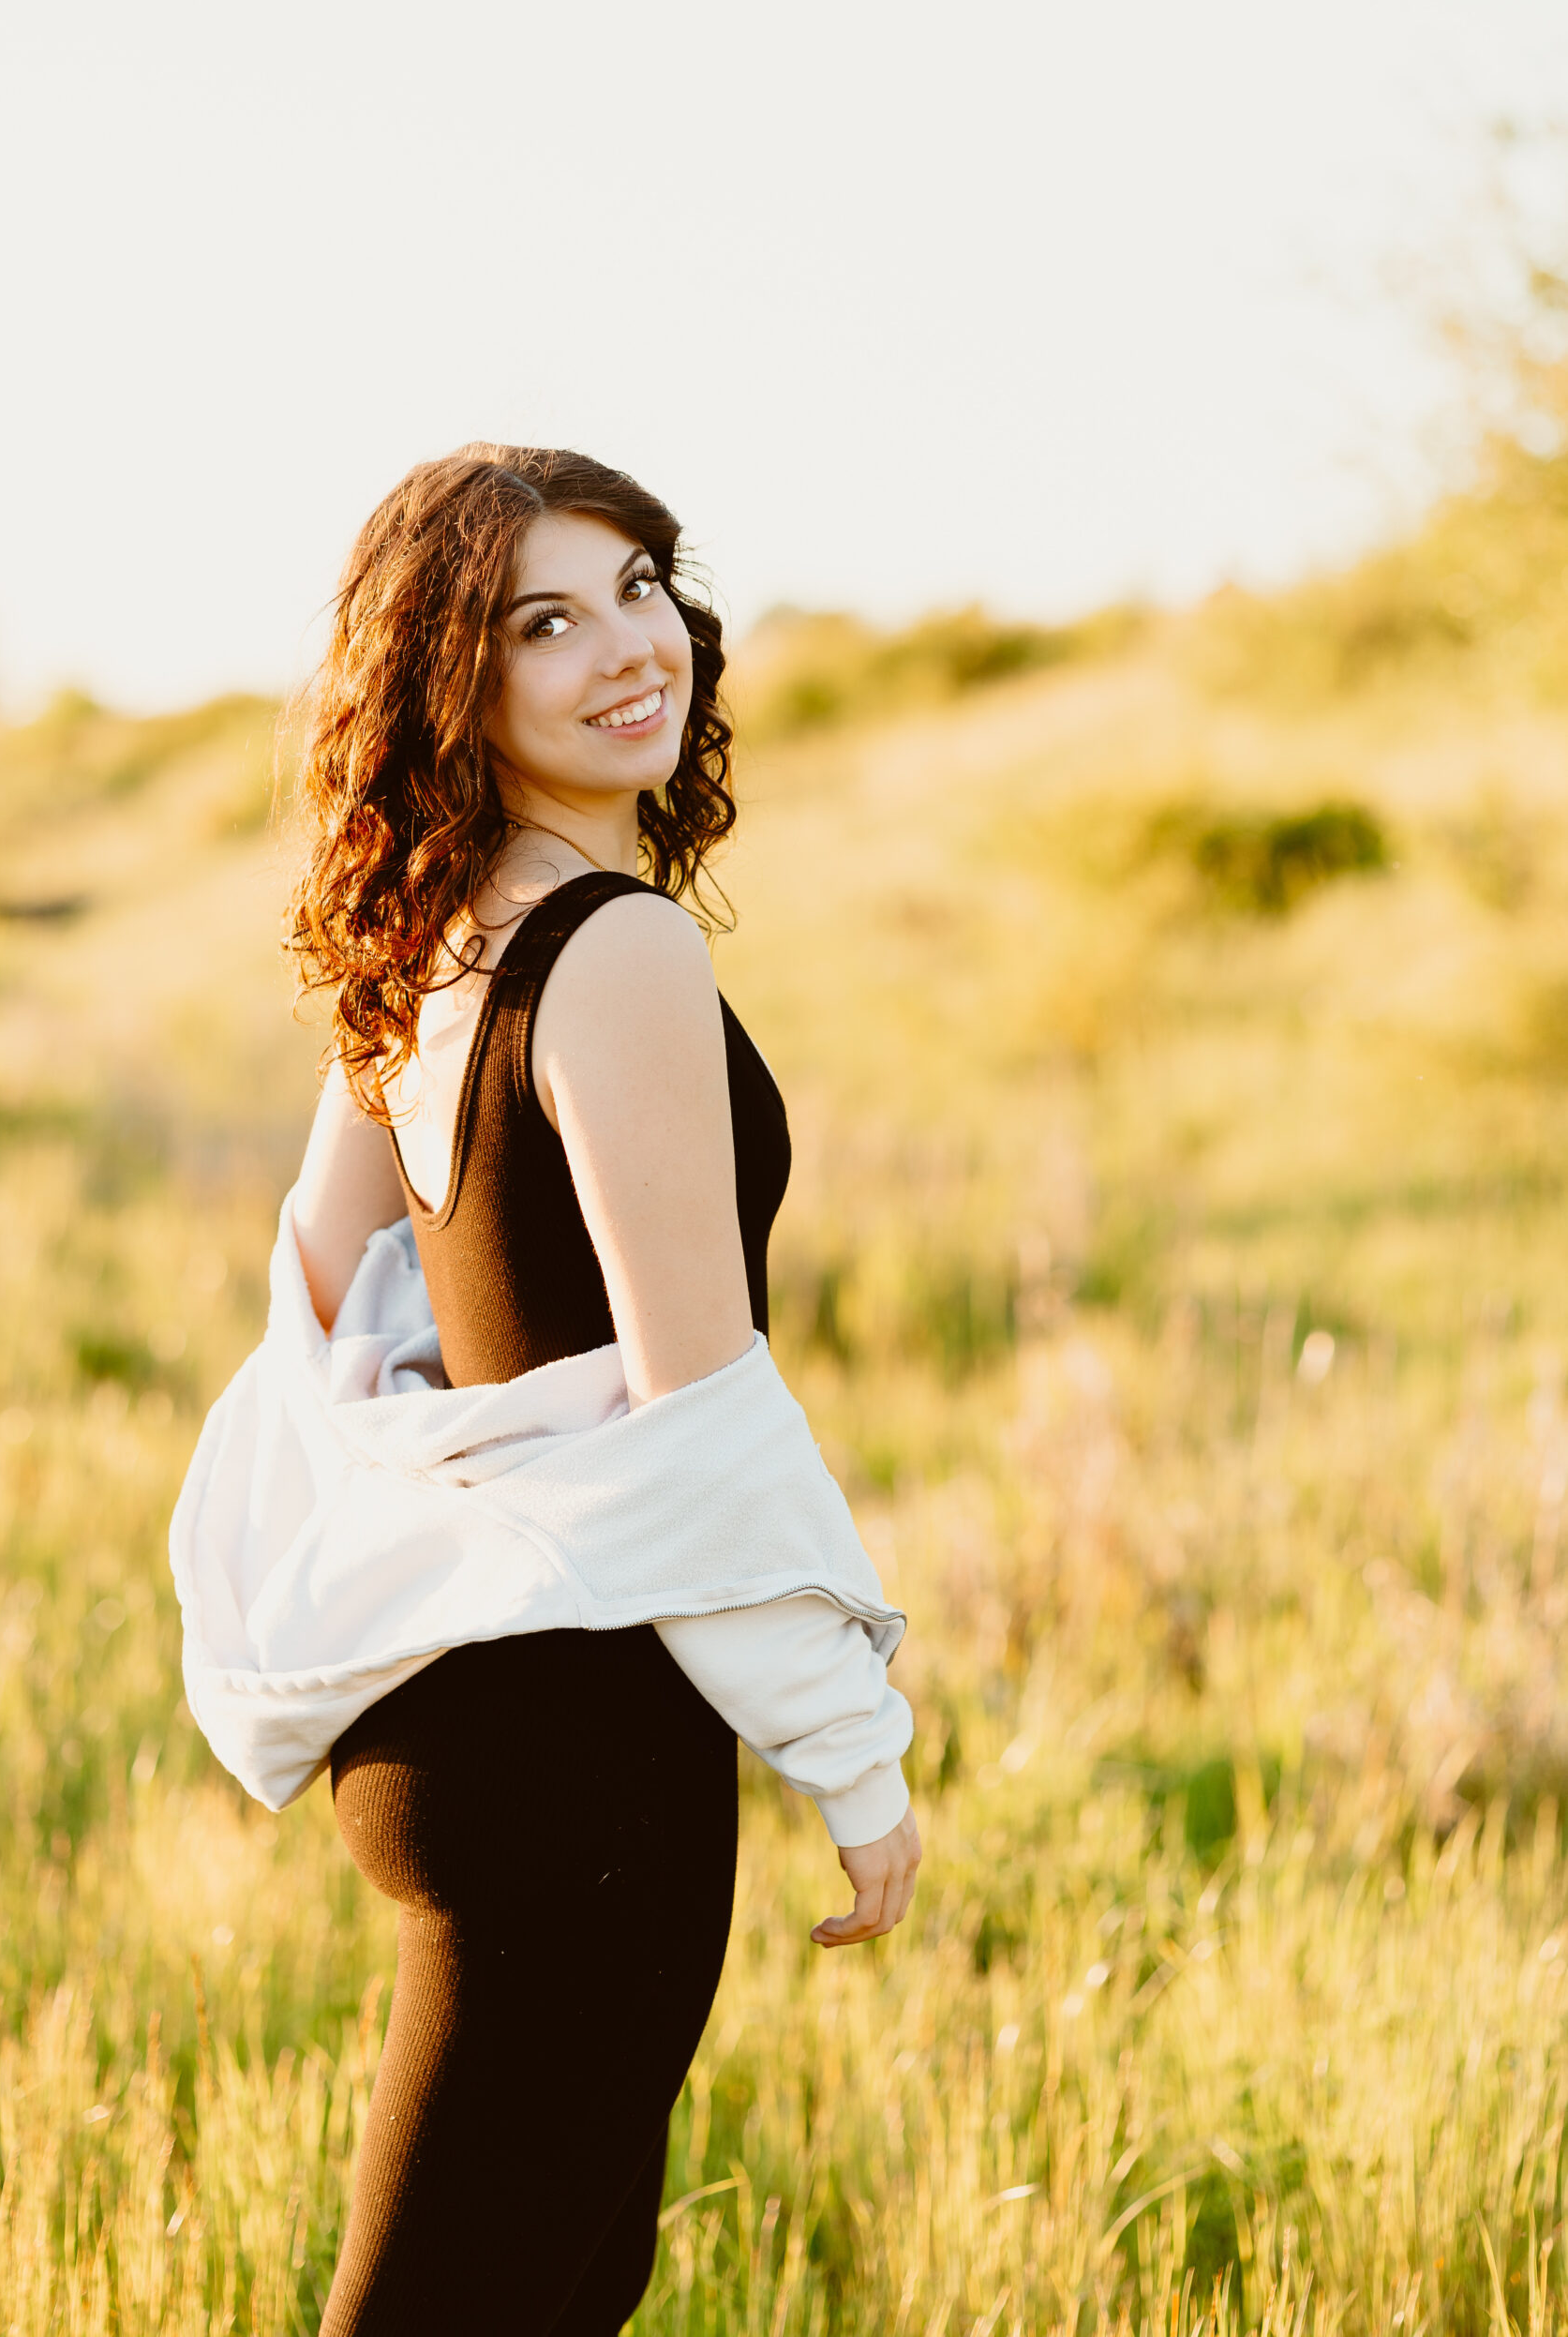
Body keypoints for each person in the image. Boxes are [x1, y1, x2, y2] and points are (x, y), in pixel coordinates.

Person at [282, 443, 921, 2333]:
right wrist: (848, 1743)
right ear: (445, 680)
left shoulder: (416, 947)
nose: (625, 644)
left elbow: (321, 1315)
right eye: (539, 620)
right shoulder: (614, 947)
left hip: (450, 1711)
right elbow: (695, 1413)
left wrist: (477, 1456)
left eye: (638, 583)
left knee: (528, 2284)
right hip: (587, 1740)